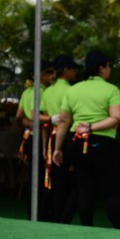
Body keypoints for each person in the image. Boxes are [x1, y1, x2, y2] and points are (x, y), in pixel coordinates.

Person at [52, 50, 120, 230]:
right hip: (104, 144)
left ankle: (87, 230)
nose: (109, 69)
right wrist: (92, 127)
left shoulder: (73, 89)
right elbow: (117, 117)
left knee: (86, 189)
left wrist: (57, 148)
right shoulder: (111, 89)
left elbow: (63, 121)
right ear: (101, 68)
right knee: (111, 191)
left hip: (76, 143)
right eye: (108, 66)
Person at [15, 60, 54, 219]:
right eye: (50, 72)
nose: (53, 75)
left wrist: (28, 123)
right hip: (40, 140)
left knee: (34, 178)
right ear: (42, 75)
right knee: (42, 179)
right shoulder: (42, 91)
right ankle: (40, 215)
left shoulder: (27, 91)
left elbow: (19, 115)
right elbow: (33, 115)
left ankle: (33, 214)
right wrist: (50, 120)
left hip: (31, 139)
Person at [43, 54, 79, 223]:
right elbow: (69, 118)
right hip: (67, 137)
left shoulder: (47, 91)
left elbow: (44, 119)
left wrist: (45, 146)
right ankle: (63, 219)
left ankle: (56, 219)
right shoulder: (71, 90)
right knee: (72, 183)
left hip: (52, 136)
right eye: (73, 69)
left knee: (58, 182)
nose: (75, 72)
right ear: (66, 70)